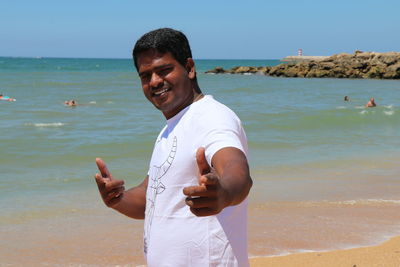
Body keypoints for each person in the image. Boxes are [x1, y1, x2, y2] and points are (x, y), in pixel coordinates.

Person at [94, 28, 252, 266]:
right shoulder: (171, 129)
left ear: (189, 68)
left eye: (164, 70)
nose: (155, 82)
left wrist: (225, 193)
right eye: (145, 76)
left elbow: (235, 169)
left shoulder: (212, 117)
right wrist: (117, 198)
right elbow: (150, 200)